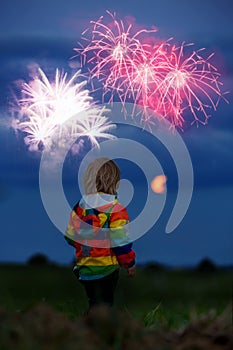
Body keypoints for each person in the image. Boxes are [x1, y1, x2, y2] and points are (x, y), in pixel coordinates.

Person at [65, 157, 136, 312]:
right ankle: (92, 330)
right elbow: (121, 241)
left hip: (84, 268)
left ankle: (85, 330)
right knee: (104, 306)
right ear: (115, 182)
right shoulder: (116, 210)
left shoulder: (79, 207)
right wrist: (129, 263)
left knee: (94, 302)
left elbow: (70, 237)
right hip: (107, 269)